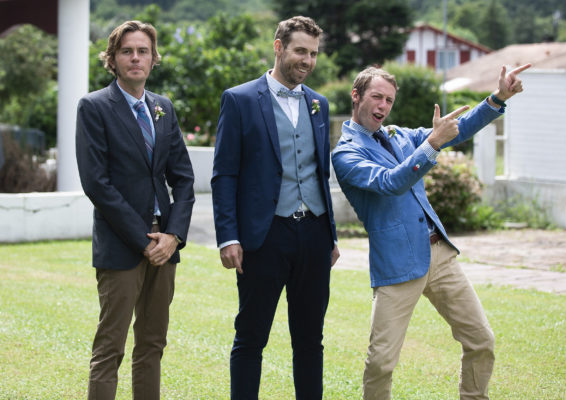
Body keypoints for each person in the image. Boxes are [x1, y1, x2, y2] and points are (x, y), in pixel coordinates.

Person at [331, 63, 531, 400]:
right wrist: (432, 145)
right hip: (397, 265)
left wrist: (497, 99)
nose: (383, 106)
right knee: (381, 362)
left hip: (440, 255)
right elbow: (389, 182)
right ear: (356, 96)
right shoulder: (346, 153)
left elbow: (458, 129)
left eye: (389, 100)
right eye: (376, 97)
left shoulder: (398, 135)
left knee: (481, 340)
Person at [211, 15, 340, 400]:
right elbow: (224, 175)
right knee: (251, 337)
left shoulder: (319, 103)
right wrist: (228, 236)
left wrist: (329, 235)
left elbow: (320, 173)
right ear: (279, 47)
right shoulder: (240, 99)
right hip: (263, 236)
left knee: (310, 338)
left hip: (314, 234)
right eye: (301, 51)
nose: (307, 60)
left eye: (313, 54)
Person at [75, 20, 195, 400]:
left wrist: (173, 236)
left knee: (153, 345)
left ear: (153, 57)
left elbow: (184, 179)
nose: (135, 58)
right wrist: (143, 241)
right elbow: (97, 184)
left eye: (143, 51)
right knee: (110, 349)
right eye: (127, 51)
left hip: (166, 245)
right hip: (122, 245)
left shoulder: (163, 107)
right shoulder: (94, 107)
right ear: (112, 59)